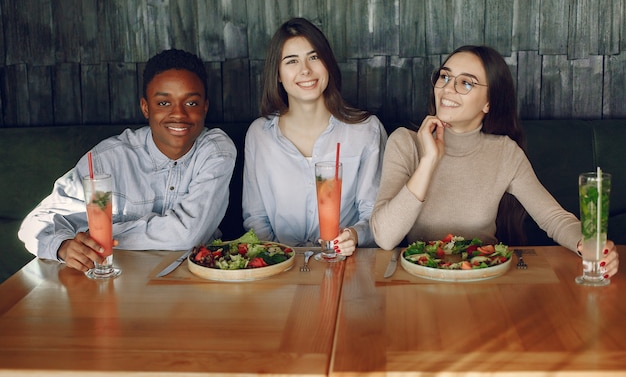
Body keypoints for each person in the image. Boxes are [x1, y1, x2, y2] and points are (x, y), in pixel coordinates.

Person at [370, 45, 619, 278]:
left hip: (484, 279)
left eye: (465, 83)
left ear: (489, 102)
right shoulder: (405, 142)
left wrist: (585, 243)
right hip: (419, 280)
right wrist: (428, 162)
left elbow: (553, 218)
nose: (447, 88)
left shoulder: (505, 153)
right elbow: (385, 237)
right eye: (444, 77)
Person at [19, 49, 237, 273]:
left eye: (191, 103)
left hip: (196, 281)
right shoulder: (109, 160)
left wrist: (100, 236)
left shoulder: (215, 150)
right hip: (116, 280)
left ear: (205, 107)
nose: (179, 114)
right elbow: (34, 224)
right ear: (145, 107)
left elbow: (187, 234)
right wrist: (62, 246)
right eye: (164, 103)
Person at [242, 17, 387, 255]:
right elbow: (255, 217)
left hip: (346, 265)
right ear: (277, 74)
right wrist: (281, 257)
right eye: (291, 61)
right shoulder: (260, 135)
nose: (305, 70)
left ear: (327, 63)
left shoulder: (366, 130)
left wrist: (354, 235)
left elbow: (375, 215)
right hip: (282, 269)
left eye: (314, 57)